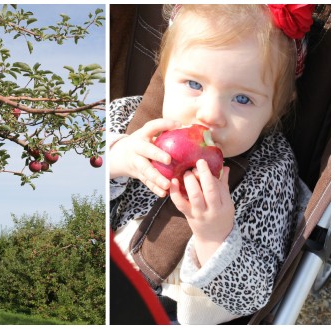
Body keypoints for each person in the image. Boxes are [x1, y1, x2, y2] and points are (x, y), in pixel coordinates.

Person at [109, 4, 314, 324]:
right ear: (164, 72)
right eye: (194, 84)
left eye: (242, 99)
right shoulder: (130, 123)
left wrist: (215, 237)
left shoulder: (271, 172)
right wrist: (114, 162)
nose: (210, 114)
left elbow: (254, 294)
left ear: (277, 106)